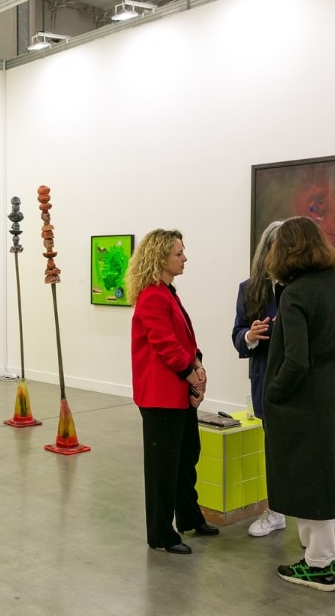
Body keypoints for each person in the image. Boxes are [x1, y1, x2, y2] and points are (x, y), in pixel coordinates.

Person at [263, 216, 335, 592]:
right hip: (334, 390)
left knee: (308, 480)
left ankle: (318, 564)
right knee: (328, 475)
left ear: (287, 249)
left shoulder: (295, 293)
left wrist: (275, 392)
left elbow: (296, 360)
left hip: (304, 399)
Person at [127, 228, 216, 556]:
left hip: (177, 392)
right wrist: (193, 376)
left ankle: (189, 517)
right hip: (160, 396)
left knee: (186, 458)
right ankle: (161, 534)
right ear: (161, 258)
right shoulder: (152, 296)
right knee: (163, 468)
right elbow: (165, 344)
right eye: (179, 253)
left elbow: (184, 338)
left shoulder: (167, 292)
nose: (185, 258)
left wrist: (198, 364)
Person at [231, 220, 286, 537]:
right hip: (266, 380)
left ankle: (309, 516)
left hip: (299, 383)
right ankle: (276, 510)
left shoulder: (302, 288)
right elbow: (237, 334)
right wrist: (250, 336)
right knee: (274, 449)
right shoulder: (250, 289)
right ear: (267, 250)